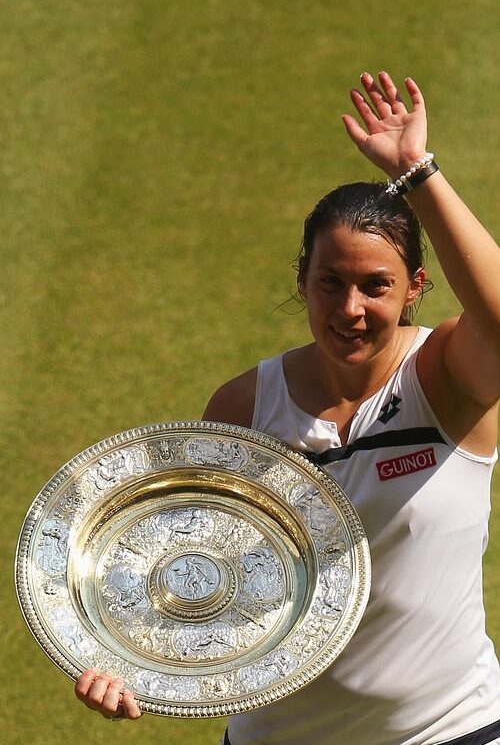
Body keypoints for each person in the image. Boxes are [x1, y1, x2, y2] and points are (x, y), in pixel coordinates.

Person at [74, 71, 500, 743]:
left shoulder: (447, 376)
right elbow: (190, 558)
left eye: (375, 286)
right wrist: (125, 659)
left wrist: (416, 171)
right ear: (301, 280)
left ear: (416, 287)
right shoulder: (246, 405)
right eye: (330, 283)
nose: (350, 309)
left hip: (449, 729)